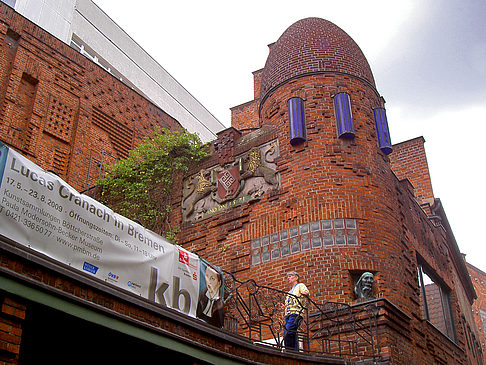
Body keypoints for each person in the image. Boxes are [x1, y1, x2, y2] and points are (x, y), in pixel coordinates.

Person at [282, 271, 309, 350]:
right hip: (288, 314)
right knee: (292, 333)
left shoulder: (300, 285)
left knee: (287, 332)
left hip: (296, 313)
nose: (288, 278)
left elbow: (306, 292)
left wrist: (304, 293)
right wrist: (284, 306)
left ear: (296, 277)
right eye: (288, 276)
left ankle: (290, 350)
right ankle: (295, 350)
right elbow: (290, 303)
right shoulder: (290, 291)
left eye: (290, 276)